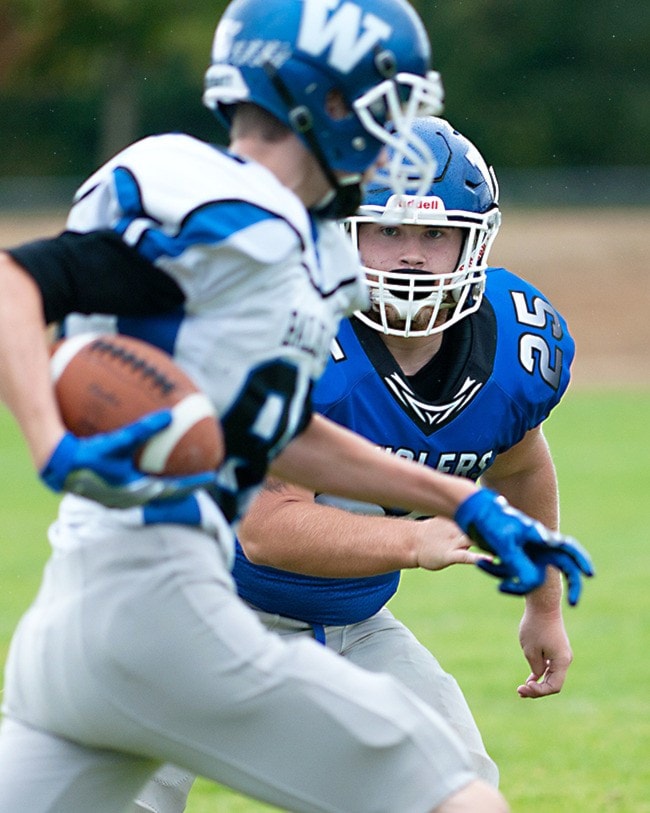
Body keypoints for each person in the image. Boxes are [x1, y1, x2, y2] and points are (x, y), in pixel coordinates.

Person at [0, 0, 592, 808]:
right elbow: (16, 277)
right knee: (458, 798)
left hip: (76, 618)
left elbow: (278, 435)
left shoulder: (303, 251)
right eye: (390, 105)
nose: (398, 134)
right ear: (328, 102)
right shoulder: (227, 204)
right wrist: (49, 439)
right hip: (169, 607)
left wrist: (459, 501)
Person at [133, 116, 585, 812]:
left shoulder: (512, 352)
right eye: (389, 230)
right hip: (191, 615)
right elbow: (267, 526)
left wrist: (543, 606)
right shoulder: (292, 328)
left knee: (462, 796)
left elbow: (521, 467)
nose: (410, 257)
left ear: (477, 239)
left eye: (435, 234)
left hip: (352, 625)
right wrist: (414, 539)